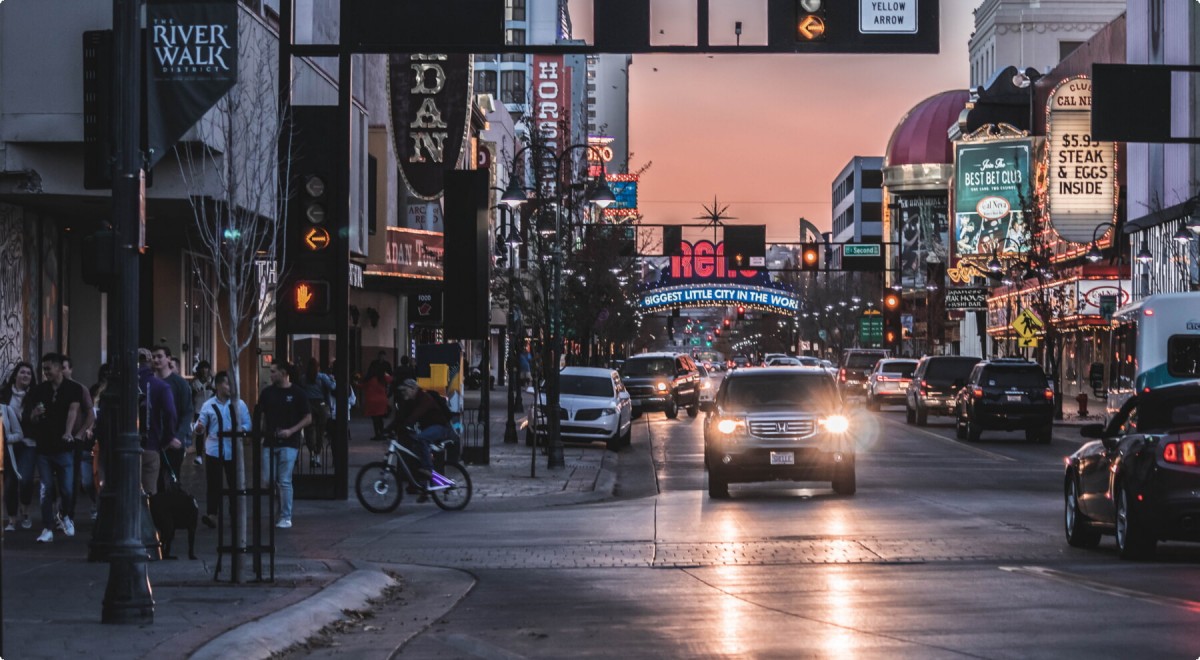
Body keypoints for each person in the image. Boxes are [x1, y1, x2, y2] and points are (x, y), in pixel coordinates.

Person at [23, 353, 86, 542]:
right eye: (44, 369)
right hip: (43, 447)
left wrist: (68, 432)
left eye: (49, 368)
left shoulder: (73, 388)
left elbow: (73, 411)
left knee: (67, 489)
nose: (46, 372)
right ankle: (47, 527)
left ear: (59, 368)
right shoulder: (39, 390)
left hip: (64, 447)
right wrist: (34, 414)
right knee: (46, 488)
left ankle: (65, 516)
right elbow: (30, 417)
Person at [255, 360, 311, 529]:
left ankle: (286, 515)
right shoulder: (267, 393)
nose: (270, 374)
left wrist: (291, 431)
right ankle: (280, 507)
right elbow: (260, 414)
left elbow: (308, 417)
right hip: (270, 440)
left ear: (284, 373)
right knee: (269, 479)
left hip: (289, 441)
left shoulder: (298, 393)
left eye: (273, 371)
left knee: (285, 480)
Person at [193, 370, 250, 529]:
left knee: (234, 483)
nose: (230, 387)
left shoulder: (239, 403)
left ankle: (235, 515)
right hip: (214, 449)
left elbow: (248, 424)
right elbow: (199, 426)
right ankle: (212, 515)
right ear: (218, 386)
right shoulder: (208, 405)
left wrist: (238, 429)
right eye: (227, 383)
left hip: (233, 449)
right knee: (214, 484)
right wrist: (199, 428)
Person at [394, 379, 455, 502]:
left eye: (406, 390)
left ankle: (428, 469)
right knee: (417, 454)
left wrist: (406, 424)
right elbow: (401, 417)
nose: (404, 393)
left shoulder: (425, 398)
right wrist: (389, 429)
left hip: (441, 428)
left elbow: (415, 415)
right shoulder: (412, 401)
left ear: (413, 389)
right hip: (429, 429)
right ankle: (424, 488)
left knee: (421, 439)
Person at [139, 347, 180, 498]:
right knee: (150, 493)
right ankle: (148, 520)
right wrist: (166, 438)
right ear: (150, 362)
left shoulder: (122, 384)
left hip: (123, 450)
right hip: (150, 444)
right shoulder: (160, 386)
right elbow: (170, 413)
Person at [61, 356, 96, 525]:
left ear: (70, 369)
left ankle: (68, 513)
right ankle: (62, 512)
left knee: (73, 477)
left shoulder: (80, 389)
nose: (61, 371)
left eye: (64, 367)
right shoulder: (50, 389)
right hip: (56, 439)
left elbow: (90, 413)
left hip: (75, 438)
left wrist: (81, 433)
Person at [1, 361, 36, 531]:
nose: (25, 376)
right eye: (22, 372)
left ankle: (26, 510)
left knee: (26, 479)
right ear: (15, 375)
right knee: (9, 482)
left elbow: (36, 423)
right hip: (8, 444)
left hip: (28, 443)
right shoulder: (4, 394)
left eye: (29, 373)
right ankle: (12, 519)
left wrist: (31, 417)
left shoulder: (35, 396)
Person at [160, 352, 193, 485]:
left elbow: (187, 412)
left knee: (172, 478)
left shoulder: (181, 385)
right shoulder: (157, 382)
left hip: (174, 441)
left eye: (172, 366)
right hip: (158, 441)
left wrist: (179, 437)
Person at [298, 358, 332, 468]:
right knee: (320, 431)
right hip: (321, 405)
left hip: (308, 405)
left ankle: (312, 454)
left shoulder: (304, 378)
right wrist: (332, 379)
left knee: (309, 431)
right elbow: (332, 386)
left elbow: (300, 390)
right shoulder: (322, 377)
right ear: (318, 367)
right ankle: (318, 454)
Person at [190, 360, 215, 465]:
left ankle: (211, 454)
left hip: (211, 411)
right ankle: (199, 456)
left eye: (206, 368)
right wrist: (196, 392)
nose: (205, 370)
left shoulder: (213, 381)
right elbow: (191, 397)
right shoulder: (195, 383)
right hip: (199, 411)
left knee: (211, 433)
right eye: (202, 368)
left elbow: (218, 395)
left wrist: (212, 388)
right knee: (200, 434)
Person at [361, 360, 392, 441]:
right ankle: (381, 433)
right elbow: (391, 379)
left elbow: (362, 386)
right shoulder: (382, 377)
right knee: (380, 418)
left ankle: (377, 435)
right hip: (382, 401)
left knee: (375, 419)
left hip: (372, 401)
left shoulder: (369, 378)